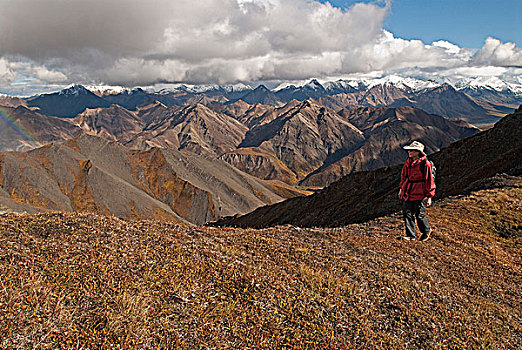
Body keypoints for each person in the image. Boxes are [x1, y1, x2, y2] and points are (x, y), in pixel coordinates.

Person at [398, 141, 436, 241]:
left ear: (418, 152)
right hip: (409, 191)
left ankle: (426, 231)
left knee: (420, 214)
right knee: (407, 213)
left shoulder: (426, 164)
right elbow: (404, 176)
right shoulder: (408, 162)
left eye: (412, 150)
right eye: (409, 150)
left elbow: (429, 180)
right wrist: (402, 189)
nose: (409, 152)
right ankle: (410, 235)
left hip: (420, 192)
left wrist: (429, 196)